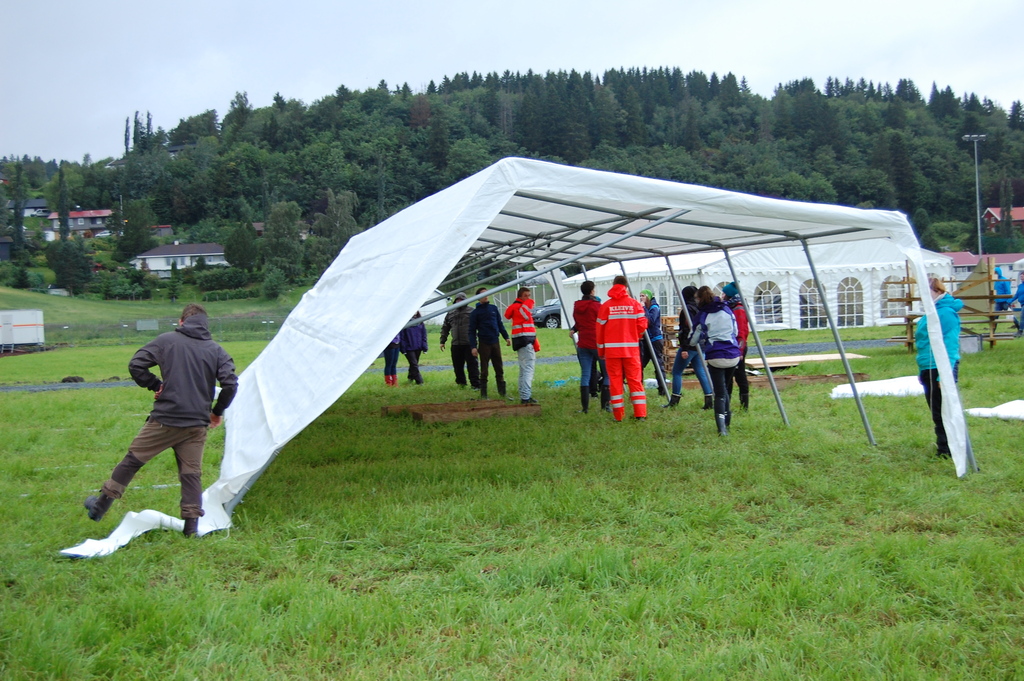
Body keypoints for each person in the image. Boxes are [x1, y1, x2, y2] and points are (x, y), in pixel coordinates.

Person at [83, 304, 237, 537]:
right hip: (196, 424)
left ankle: (99, 507)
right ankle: (191, 529)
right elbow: (230, 384)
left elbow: (136, 365)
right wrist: (217, 412)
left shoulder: (167, 341)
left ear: (182, 321)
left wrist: (156, 385)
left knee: (132, 461)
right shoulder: (216, 350)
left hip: (166, 419)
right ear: (206, 326)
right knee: (191, 474)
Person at [916, 277, 963, 458]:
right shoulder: (933, 311)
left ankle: (947, 449)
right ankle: (945, 447)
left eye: (926, 292)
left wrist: (945, 375)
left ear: (936, 291)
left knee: (943, 410)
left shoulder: (945, 314)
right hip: (928, 366)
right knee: (937, 410)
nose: (922, 297)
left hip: (940, 367)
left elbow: (950, 347)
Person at [689, 286, 740, 436]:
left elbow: (693, 340)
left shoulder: (703, 314)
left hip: (716, 356)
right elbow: (735, 331)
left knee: (719, 393)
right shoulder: (727, 310)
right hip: (733, 355)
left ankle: (721, 428)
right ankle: (728, 422)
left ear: (699, 299)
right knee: (726, 389)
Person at [597, 275, 648, 421]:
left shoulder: (606, 306)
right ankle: (640, 414)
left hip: (612, 351)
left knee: (615, 381)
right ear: (626, 286)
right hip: (631, 350)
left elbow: (599, 331)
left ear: (613, 285)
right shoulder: (635, 304)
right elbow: (642, 326)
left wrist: (601, 350)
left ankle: (618, 416)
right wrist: (635, 336)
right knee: (635, 380)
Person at [665, 286, 714, 410]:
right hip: (701, 344)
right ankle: (709, 399)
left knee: (676, 372)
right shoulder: (701, 307)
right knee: (701, 372)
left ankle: (675, 399)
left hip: (690, 345)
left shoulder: (687, 310)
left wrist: (685, 348)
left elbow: (686, 330)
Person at [571, 280, 608, 413]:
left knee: (585, 374)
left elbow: (578, 323)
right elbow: (604, 321)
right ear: (592, 291)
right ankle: (605, 406)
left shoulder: (577, 306)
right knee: (607, 374)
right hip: (598, 343)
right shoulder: (597, 306)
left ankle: (585, 408)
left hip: (583, 342)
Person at [469, 287, 511, 399]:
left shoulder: (494, 308)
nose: (486, 295)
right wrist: (473, 347)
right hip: (484, 342)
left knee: (499, 367)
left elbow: (500, 324)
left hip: (495, 341)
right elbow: (471, 331)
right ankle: (484, 394)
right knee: (484, 369)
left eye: (487, 293)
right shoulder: (475, 313)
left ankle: (503, 393)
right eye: (482, 294)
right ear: (478, 298)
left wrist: (506, 337)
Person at [504, 287, 541, 404]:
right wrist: (529, 303)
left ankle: (523, 394)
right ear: (520, 296)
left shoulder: (514, 306)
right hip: (526, 340)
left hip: (519, 340)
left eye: (529, 295)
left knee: (523, 369)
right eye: (526, 295)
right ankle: (525, 397)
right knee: (528, 369)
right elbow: (525, 314)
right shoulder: (524, 307)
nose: (528, 298)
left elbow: (507, 314)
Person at [439, 292, 480, 389]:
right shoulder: (451, 312)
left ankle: (476, 384)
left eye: (461, 300)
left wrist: (478, 339)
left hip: (469, 343)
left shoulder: (472, 311)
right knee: (457, 366)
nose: (459, 301)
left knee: (472, 365)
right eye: (458, 300)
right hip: (456, 344)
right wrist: (442, 341)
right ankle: (461, 383)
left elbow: (479, 326)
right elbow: (445, 327)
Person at [722, 282, 751, 410]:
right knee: (729, 375)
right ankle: (726, 402)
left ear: (729, 295)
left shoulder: (738, 308)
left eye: (724, 293)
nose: (722, 295)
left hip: (737, 347)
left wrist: (739, 350)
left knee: (739, 375)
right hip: (731, 346)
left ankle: (744, 405)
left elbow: (742, 331)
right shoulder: (731, 306)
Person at [638, 289, 665, 395]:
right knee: (640, 364)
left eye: (643, 296)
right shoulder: (646, 308)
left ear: (648, 297)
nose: (641, 298)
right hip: (645, 340)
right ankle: (638, 387)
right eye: (640, 296)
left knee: (658, 364)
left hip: (655, 339)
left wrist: (643, 308)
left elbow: (650, 321)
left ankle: (662, 388)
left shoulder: (654, 307)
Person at [399, 311, 428, 384]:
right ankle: (419, 381)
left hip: (418, 347)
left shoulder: (420, 322)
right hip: (408, 347)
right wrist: (403, 348)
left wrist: (424, 346)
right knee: (414, 364)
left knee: (414, 364)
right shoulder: (405, 322)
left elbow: (424, 335)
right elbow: (402, 336)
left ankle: (410, 377)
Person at [1010, 272, 1024, 337]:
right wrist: (1009, 301)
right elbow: (1016, 295)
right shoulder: (1020, 286)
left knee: (1022, 316)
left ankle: (1020, 331)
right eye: (1021, 277)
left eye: (1022, 276)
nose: (1021, 278)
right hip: (1022, 304)